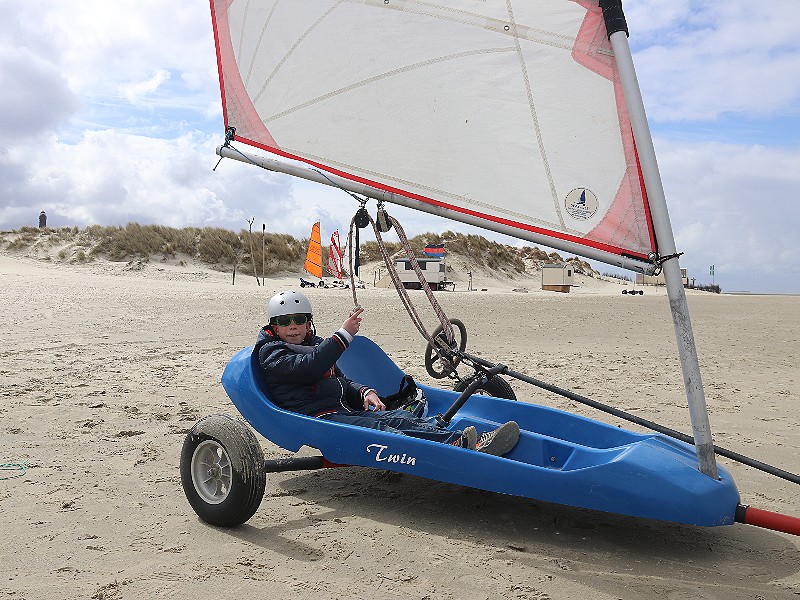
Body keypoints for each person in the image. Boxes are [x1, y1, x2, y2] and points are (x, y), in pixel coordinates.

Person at [256, 290, 520, 455]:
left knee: (399, 417)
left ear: (308, 323)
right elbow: (308, 368)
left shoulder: (314, 345)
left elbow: (339, 378)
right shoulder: (272, 352)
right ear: (274, 326)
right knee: (383, 428)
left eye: (299, 320)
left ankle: (461, 441)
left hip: (341, 411)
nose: (293, 326)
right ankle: (459, 447)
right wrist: (343, 335)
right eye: (284, 321)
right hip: (315, 418)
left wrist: (364, 391)